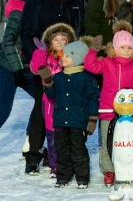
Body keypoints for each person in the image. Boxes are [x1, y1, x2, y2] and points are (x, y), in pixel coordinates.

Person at [20, 0, 85, 174]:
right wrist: (36, 61)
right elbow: (27, 32)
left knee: (69, 108)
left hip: (70, 64)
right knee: (42, 107)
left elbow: (82, 29)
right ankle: (34, 154)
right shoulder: (35, 0)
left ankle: (63, 154)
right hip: (45, 65)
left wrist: (79, 56)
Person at [84, 22, 133, 187]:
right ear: (114, 48)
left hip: (129, 111)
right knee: (107, 141)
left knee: (129, 139)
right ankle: (109, 169)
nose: (126, 51)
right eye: (122, 47)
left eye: (129, 47)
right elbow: (90, 66)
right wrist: (93, 50)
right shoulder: (107, 63)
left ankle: (132, 166)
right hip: (108, 109)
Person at [43, 39, 99, 189]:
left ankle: (82, 178)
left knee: (78, 150)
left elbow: (93, 98)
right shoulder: (59, 77)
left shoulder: (86, 78)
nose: (63, 58)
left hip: (78, 121)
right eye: (63, 55)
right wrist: (48, 82)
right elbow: (52, 95)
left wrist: (92, 119)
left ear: (77, 58)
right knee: (62, 150)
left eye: (67, 56)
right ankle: (63, 177)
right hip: (61, 121)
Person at [30, 23, 76, 179]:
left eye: (64, 39)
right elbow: (36, 68)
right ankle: (54, 164)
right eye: (56, 40)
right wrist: (40, 52)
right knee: (53, 133)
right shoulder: (46, 57)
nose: (60, 42)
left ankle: (69, 162)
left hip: (69, 100)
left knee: (70, 132)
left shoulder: (72, 57)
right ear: (50, 42)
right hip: (50, 100)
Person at [0, 0, 42, 129]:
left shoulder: (37, 11)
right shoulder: (18, 12)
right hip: (9, 68)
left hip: (28, 68)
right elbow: (8, 42)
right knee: (2, 111)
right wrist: (17, 69)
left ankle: (31, 143)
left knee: (43, 101)